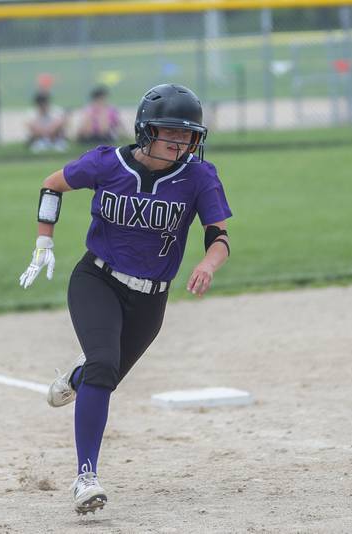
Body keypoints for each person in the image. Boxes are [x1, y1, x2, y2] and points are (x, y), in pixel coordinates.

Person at [18, 84, 232, 514]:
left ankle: (77, 380)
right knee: (103, 364)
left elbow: (219, 236)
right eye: (170, 132)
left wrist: (209, 264)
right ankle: (85, 477)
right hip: (97, 278)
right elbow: (52, 185)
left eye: (188, 135)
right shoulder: (106, 163)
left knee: (104, 375)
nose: (181, 142)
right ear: (145, 130)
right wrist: (44, 241)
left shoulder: (198, 176)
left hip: (151, 299)